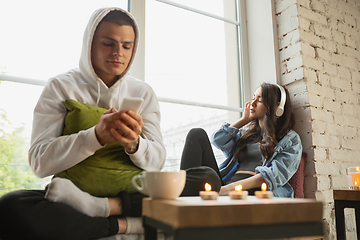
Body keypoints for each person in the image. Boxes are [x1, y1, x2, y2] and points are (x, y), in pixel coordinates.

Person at [0, 7, 166, 240]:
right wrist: (95, 137)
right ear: (89, 42)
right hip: (74, 200)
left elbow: (157, 161)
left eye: (127, 46)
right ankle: (126, 225)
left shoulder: (143, 92)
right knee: (10, 205)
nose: (118, 52)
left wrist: (134, 145)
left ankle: (106, 209)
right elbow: (39, 163)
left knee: (202, 178)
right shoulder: (60, 86)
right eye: (109, 43)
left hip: (130, 196)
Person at [180, 82, 303, 197]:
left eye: (259, 100)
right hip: (225, 185)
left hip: (254, 191)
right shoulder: (246, 135)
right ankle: (180, 188)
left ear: (277, 108)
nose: (252, 103)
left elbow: (273, 176)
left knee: (209, 176)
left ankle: (181, 195)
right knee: (197, 134)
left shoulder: (290, 140)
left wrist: (230, 188)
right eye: (253, 97)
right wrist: (244, 119)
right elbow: (218, 140)